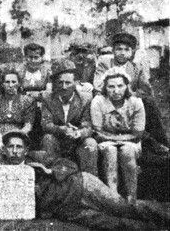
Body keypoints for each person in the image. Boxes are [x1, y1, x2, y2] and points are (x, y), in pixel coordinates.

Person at [0, 130, 169, 230]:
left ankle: (164, 217)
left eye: (18, 146)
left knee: (124, 208)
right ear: (5, 150)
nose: (14, 151)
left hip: (83, 186)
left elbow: (71, 166)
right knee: (114, 224)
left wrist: (49, 171)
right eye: (10, 147)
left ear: (26, 149)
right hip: (67, 209)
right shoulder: (1, 171)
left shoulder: (39, 157)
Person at [93, 32, 169, 150]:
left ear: (132, 51)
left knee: (148, 102)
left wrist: (132, 95)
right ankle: (147, 140)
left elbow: (146, 89)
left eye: (126, 49)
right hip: (108, 99)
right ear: (113, 50)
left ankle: (159, 142)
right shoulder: (105, 64)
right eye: (119, 49)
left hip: (129, 100)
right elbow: (98, 86)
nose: (122, 53)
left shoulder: (135, 67)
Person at [91, 68, 146, 202]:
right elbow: (97, 131)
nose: (116, 91)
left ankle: (131, 196)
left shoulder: (135, 102)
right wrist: (114, 139)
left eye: (120, 86)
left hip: (130, 141)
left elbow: (138, 133)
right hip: (106, 141)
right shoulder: (98, 102)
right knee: (110, 151)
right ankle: (112, 195)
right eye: (111, 86)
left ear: (127, 86)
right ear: (105, 87)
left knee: (127, 151)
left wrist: (118, 139)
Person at [41, 59, 98, 175]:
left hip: (77, 142)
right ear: (55, 84)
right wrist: (62, 129)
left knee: (90, 143)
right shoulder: (48, 98)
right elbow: (46, 124)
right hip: (57, 139)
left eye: (68, 83)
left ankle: (89, 179)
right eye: (60, 83)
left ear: (75, 83)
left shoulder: (85, 99)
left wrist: (78, 133)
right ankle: (51, 178)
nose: (64, 87)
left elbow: (88, 126)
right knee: (48, 138)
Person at [0, 70, 35, 164]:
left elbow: (28, 125)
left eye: (13, 82)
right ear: (2, 84)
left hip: (19, 136)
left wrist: (16, 135)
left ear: (19, 84)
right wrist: (0, 138)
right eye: (7, 82)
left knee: (17, 151)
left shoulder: (27, 101)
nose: (10, 85)